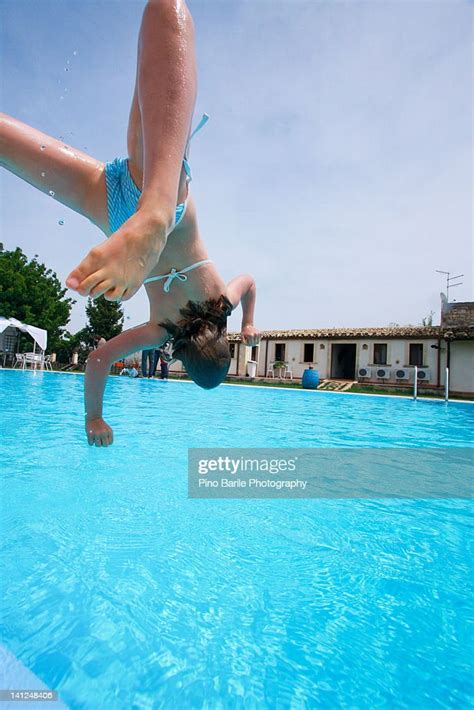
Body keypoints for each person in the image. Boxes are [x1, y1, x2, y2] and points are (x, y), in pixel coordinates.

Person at [0, 0, 260, 447]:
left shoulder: (222, 301)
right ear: (180, 358)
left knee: (165, 10)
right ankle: (149, 215)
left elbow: (250, 280)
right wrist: (94, 419)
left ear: (224, 342)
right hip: (111, 209)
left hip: (164, 196)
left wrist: (250, 323)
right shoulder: (160, 330)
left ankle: (155, 211)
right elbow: (98, 360)